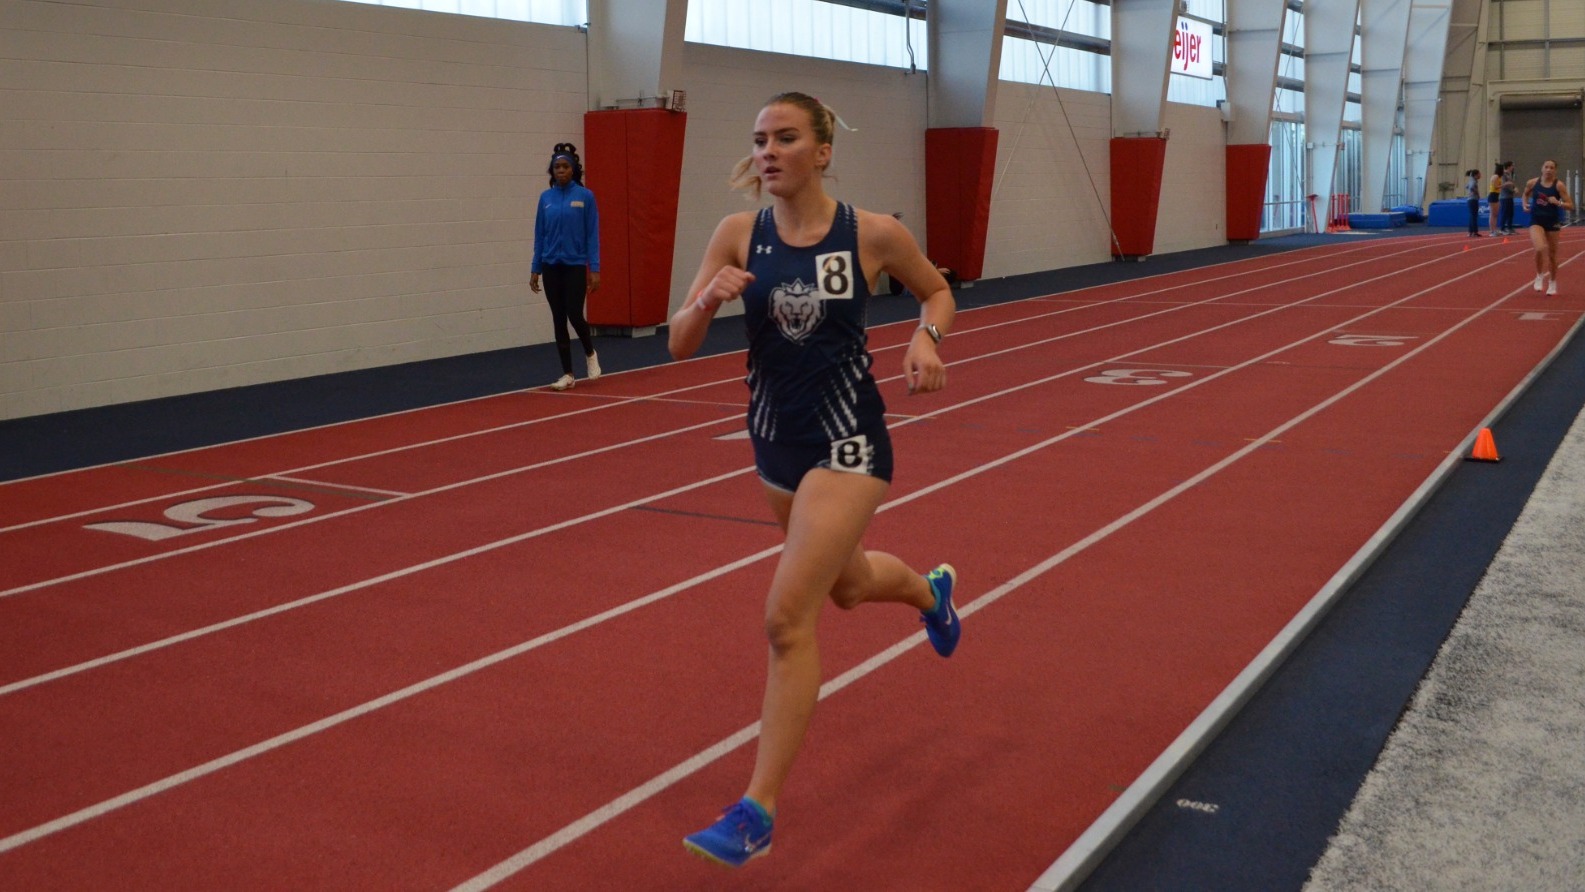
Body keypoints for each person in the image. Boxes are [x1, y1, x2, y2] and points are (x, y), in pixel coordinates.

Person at [667, 91, 959, 869]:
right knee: (851, 584)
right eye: (759, 139)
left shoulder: (873, 233)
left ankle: (755, 810)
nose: (767, 152)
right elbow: (677, 343)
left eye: (784, 138)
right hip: (774, 447)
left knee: (786, 618)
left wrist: (926, 341)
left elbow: (936, 288)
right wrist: (705, 298)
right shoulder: (737, 235)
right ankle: (932, 594)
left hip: (848, 443)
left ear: (821, 151)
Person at [530, 142, 602, 390]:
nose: (560, 170)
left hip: (574, 265)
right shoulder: (545, 199)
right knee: (558, 318)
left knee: (574, 313)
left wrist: (594, 269)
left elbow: (592, 234)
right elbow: (540, 235)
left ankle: (590, 353)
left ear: (573, 170)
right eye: (556, 167)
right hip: (551, 266)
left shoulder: (585, 196)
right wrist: (535, 268)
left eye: (564, 166)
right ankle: (568, 374)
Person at [1521, 158, 1574, 296]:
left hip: (1552, 221)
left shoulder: (1559, 186)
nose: (1549, 170)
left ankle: (1552, 281)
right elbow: (1525, 194)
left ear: (1555, 170)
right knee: (1539, 248)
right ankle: (1539, 275)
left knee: (1552, 255)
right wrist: (1524, 204)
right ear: (1542, 168)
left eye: (1551, 168)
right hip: (1536, 220)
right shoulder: (1533, 183)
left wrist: (1558, 203)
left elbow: (1570, 205)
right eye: (1546, 167)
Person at [1464, 168, 1484, 237]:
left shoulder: (1471, 180)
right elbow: (1471, 187)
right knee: (1474, 216)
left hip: (1470, 199)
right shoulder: (1473, 181)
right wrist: (1477, 193)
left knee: (1472, 216)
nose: (1480, 175)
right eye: (1479, 174)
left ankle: (1470, 231)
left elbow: (1466, 187)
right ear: (1475, 175)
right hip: (1473, 199)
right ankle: (1474, 232)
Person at [1499, 161, 1517, 234]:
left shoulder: (1510, 175)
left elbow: (1511, 184)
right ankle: (1502, 228)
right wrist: (1513, 190)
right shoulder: (1503, 175)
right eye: (1512, 166)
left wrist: (1514, 188)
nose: (1513, 167)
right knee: (1504, 213)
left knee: (1510, 213)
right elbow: (1503, 185)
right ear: (1509, 166)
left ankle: (1509, 227)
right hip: (1504, 197)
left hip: (1510, 197)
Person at [1487, 163, 1502, 236]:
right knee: (1493, 214)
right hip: (1493, 195)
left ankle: (1494, 229)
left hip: (1495, 195)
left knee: (1495, 214)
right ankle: (1492, 230)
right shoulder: (1496, 176)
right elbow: (1496, 186)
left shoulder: (1496, 176)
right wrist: (1505, 185)